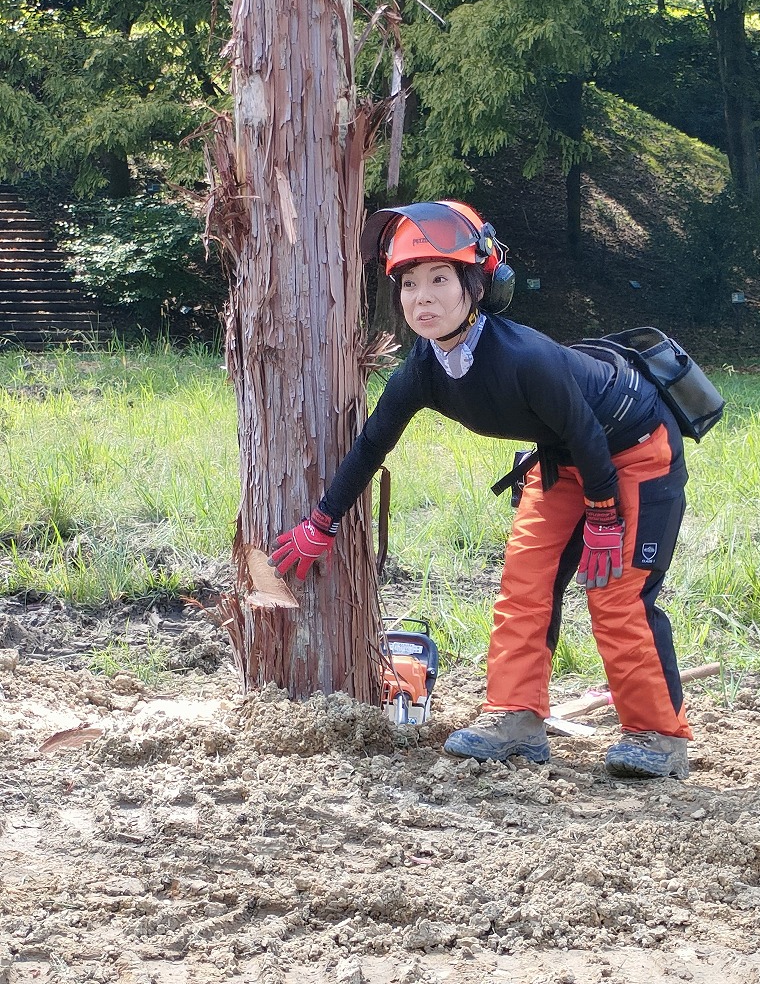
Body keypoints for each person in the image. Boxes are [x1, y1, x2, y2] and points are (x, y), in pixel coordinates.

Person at [269, 200, 692, 780]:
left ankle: (659, 737)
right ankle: (516, 720)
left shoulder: (524, 356)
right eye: (410, 283)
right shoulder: (423, 368)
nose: (424, 298)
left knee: (616, 598)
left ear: (476, 285)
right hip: (565, 458)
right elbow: (372, 445)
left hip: (636, 449)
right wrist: (323, 521)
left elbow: (588, 431)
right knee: (524, 583)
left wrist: (603, 516)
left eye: (440, 279)